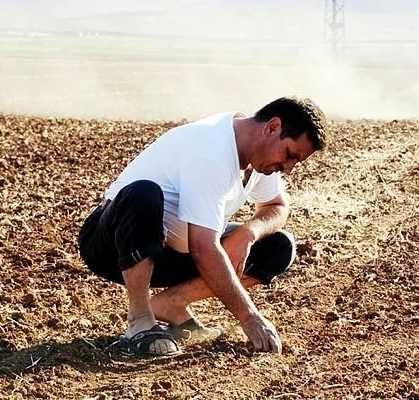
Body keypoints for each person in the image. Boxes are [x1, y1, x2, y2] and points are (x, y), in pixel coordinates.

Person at [77, 96, 329, 357]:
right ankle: (140, 320)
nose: (287, 169)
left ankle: (171, 303)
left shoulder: (260, 159)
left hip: (174, 251)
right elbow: (203, 248)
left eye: (295, 162)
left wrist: (248, 232)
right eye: (289, 155)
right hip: (114, 246)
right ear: (272, 127)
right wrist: (249, 317)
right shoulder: (211, 149)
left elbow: (276, 206)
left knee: (278, 246)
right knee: (143, 193)